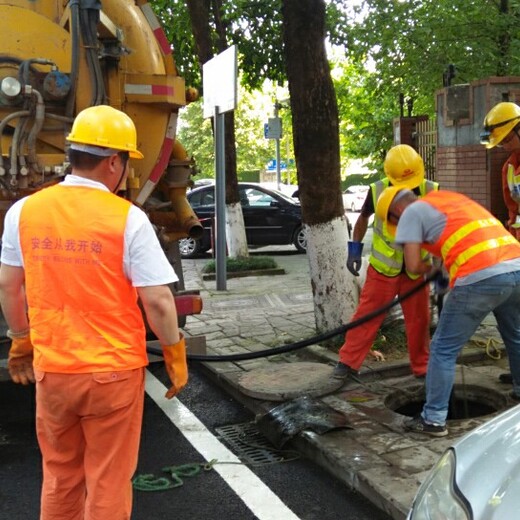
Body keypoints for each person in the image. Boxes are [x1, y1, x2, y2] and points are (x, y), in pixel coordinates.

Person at [0, 105, 188, 518]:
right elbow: (157, 300)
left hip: (54, 373)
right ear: (114, 162)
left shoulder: (23, 212)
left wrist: (21, 342)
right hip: (113, 375)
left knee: (60, 475)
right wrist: (174, 354)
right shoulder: (128, 220)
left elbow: (9, 286)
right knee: (107, 479)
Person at [376, 186, 520, 437]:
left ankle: (432, 420)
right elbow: (451, 246)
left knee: (443, 349)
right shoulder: (447, 200)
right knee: (515, 335)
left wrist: (433, 274)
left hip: (481, 276)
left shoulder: (410, 213)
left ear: (396, 211)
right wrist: (441, 275)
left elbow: (412, 265)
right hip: (516, 267)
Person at [333, 144, 438, 380]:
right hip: (384, 269)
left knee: (419, 320)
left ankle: (423, 368)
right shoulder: (377, 189)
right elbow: (362, 220)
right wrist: (354, 250)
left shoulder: (431, 190)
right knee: (366, 316)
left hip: (416, 270)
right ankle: (347, 364)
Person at [481, 101, 520, 385]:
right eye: (501, 141)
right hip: (516, 249)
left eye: (508, 138)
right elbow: (510, 209)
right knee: (513, 313)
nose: (505, 145)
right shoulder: (508, 167)